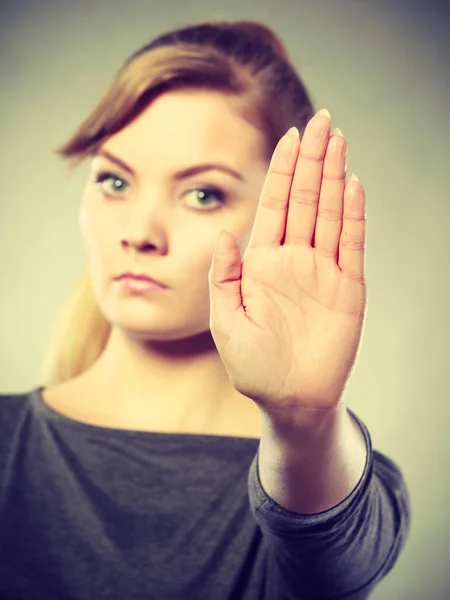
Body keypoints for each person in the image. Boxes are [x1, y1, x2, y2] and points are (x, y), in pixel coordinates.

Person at [0, 19, 410, 600]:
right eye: (114, 181)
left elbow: (339, 556)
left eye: (202, 193)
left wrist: (303, 422)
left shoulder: (320, 479)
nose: (139, 233)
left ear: (283, 214)